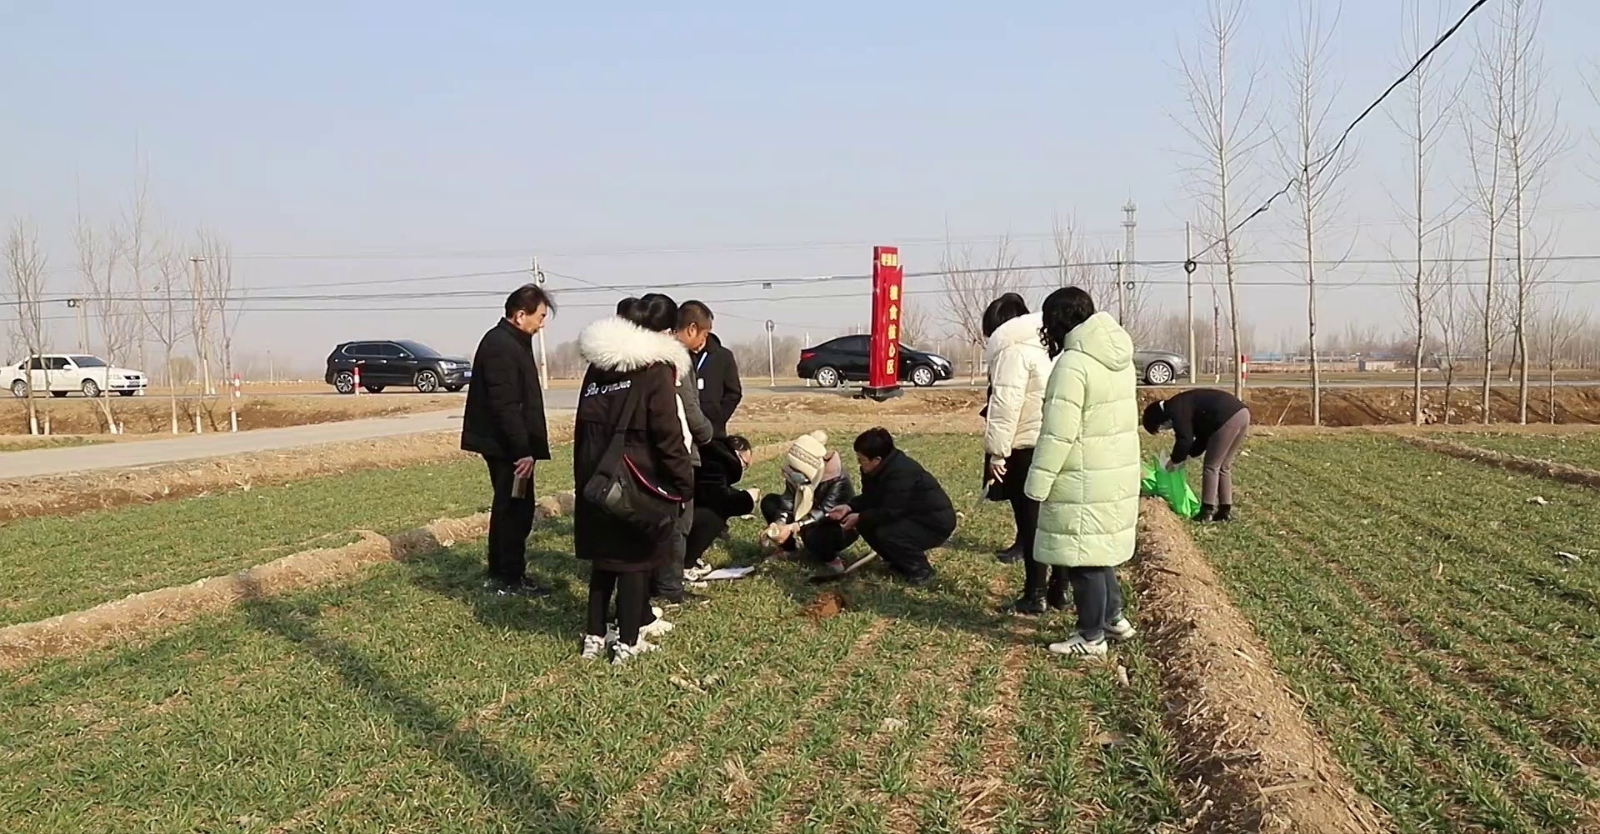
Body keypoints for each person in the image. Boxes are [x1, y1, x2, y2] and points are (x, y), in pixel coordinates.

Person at [573, 295, 695, 664]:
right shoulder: (654, 370)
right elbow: (668, 436)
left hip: (596, 479)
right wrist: (683, 483)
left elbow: (583, 430)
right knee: (635, 562)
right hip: (638, 480)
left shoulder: (598, 368)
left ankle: (595, 635)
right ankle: (628, 642)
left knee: (603, 561)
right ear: (666, 332)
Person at [1024, 287, 1141, 660]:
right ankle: (1113, 618)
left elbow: (1058, 434)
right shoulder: (1118, 357)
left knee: (1081, 559)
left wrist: (1037, 483)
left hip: (1083, 477)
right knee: (1098, 552)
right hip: (1112, 474)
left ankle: (1091, 638)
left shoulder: (1073, 364)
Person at [460, 284, 556, 598]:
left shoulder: (512, 341)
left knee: (510, 506)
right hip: (507, 447)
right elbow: (505, 405)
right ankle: (510, 577)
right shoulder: (501, 345)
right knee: (515, 510)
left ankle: (501, 572)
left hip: (510, 445)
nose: (542, 324)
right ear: (520, 315)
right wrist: (522, 451)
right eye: (540, 317)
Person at [981, 293, 1062, 614]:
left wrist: (997, 453)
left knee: (1031, 524)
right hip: (1053, 441)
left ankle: (1035, 595)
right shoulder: (1048, 347)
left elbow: (1005, 406)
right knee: (1055, 521)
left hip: (1025, 447)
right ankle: (1059, 590)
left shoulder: (1012, 352)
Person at [645, 294, 714, 607]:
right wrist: (708, 433)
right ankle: (669, 588)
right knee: (678, 524)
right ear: (691, 329)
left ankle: (653, 581)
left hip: (652, 455)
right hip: (678, 454)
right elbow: (689, 410)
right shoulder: (676, 361)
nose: (703, 342)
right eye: (703, 334)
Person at [826, 428, 955, 585]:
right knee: (865, 523)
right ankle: (898, 561)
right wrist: (849, 507)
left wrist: (860, 517)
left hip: (933, 522)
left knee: (888, 533)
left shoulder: (901, 473)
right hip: (908, 515)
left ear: (877, 459)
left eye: (862, 460)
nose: (859, 463)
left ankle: (920, 570)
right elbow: (871, 497)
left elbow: (892, 510)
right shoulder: (875, 470)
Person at [1142, 389, 1250, 522]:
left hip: (1226, 417)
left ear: (1159, 419)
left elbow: (1184, 439)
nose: (1166, 429)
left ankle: (1206, 511)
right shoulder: (1182, 403)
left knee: (1211, 467)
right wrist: (1187, 455)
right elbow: (1202, 438)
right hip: (1242, 413)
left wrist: (1175, 460)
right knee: (1224, 466)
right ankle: (1224, 511)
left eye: (1161, 428)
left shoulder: (1175, 408)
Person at [760, 430, 857, 573]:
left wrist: (794, 526)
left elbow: (825, 512)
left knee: (813, 535)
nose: (794, 475)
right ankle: (789, 549)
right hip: (806, 517)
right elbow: (788, 500)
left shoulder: (838, 479)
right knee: (770, 503)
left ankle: (830, 558)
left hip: (835, 525)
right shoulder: (795, 473)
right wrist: (780, 522)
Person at [685, 435, 759, 577]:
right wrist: (748, 499)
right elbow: (719, 501)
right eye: (745, 464)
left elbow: (715, 491)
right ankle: (686, 564)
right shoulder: (716, 463)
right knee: (714, 517)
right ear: (737, 454)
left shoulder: (713, 457)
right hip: (673, 518)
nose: (743, 469)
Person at [684, 300, 743, 437]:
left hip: (714, 432)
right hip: (685, 431)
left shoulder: (723, 356)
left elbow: (734, 393)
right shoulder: (680, 356)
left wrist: (718, 418)